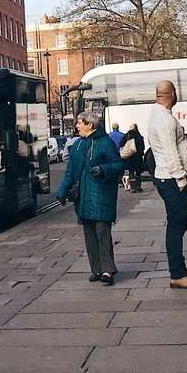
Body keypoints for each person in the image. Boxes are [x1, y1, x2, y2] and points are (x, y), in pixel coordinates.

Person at [146, 80, 187, 289]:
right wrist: (180, 178)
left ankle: (181, 269)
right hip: (172, 181)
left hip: (169, 179)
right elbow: (171, 152)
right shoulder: (164, 120)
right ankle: (177, 274)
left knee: (178, 226)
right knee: (175, 228)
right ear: (172, 93)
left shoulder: (161, 116)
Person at [56, 110, 125, 285]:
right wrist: (62, 191)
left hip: (101, 196)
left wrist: (104, 169)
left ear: (90, 125)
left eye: (79, 122)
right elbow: (70, 171)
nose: (77, 126)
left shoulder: (106, 143)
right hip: (84, 198)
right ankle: (96, 269)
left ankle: (108, 270)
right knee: (89, 235)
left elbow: (118, 165)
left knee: (102, 232)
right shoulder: (77, 145)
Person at [120, 123, 146, 192]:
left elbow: (121, 144)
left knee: (131, 171)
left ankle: (133, 187)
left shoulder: (127, 135)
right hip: (138, 156)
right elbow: (143, 147)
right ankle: (138, 186)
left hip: (130, 156)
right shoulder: (139, 136)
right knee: (138, 172)